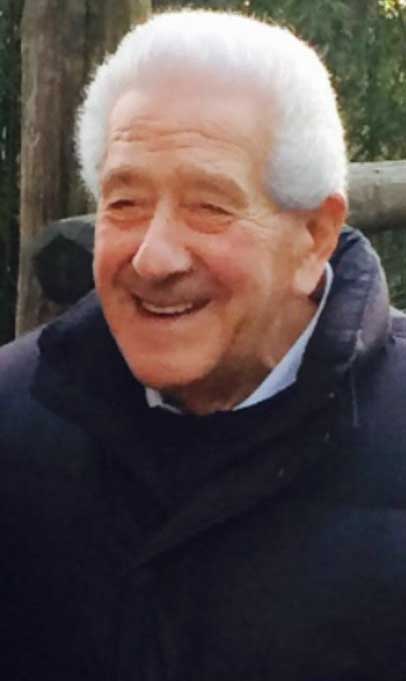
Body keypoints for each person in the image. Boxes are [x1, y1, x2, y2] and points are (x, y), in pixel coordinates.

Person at [1, 9, 406, 680]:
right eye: (124, 202)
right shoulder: (16, 419)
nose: (154, 257)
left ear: (313, 236)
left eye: (209, 207)